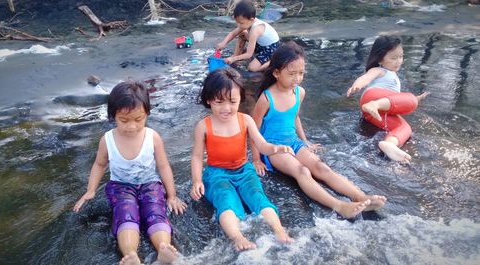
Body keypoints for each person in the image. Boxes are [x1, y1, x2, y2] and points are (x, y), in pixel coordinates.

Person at [251, 42, 387, 219]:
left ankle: (360, 196)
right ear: (276, 73)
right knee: (302, 171)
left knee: (321, 167)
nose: (297, 79)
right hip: (273, 148)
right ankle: (340, 206)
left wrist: (304, 141)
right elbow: (253, 129)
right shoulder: (266, 98)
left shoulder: (299, 93)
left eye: (301, 73)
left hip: (294, 143)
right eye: (291, 74)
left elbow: (295, 117)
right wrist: (256, 159)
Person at [73, 80, 187, 265]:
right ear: (113, 116)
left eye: (138, 119)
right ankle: (131, 255)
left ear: (147, 114)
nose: (131, 126)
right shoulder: (107, 140)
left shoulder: (152, 137)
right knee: (125, 213)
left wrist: (171, 195)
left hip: (150, 184)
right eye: (124, 120)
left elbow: (164, 166)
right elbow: (99, 164)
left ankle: (163, 248)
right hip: (121, 187)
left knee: (155, 211)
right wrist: (91, 190)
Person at [190, 68, 294, 251]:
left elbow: (262, 145)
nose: (226, 108)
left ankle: (279, 230)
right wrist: (197, 180)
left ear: (240, 99)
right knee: (225, 201)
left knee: (258, 197)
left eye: (232, 102)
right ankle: (238, 237)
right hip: (217, 174)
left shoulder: (245, 120)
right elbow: (197, 156)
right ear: (208, 100)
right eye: (219, 102)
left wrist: (275, 148)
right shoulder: (203, 126)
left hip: (244, 170)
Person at [346, 35, 429, 162]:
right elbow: (366, 78)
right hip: (372, 98)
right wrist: (356, 86)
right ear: (380, 59)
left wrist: (417, 99)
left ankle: (389, 144)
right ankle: (375, 104)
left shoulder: (393, 75)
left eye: (401, 56)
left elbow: (399, 101)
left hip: (373, 114)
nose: (399, 61)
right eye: (393, 58)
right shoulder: (379, 70)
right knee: (411, 101)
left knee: (405, 128)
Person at [215, 0, 280, 72]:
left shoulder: (256, 29)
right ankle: (235, 56)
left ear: (252, 19)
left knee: (252, 68)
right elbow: (233, 33)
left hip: (271, 49)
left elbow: (249, 54)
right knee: (242, 34)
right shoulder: (248, 22)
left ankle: (273, 62)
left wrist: (232, 59)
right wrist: (223, 43)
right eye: (237, 22)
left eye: (241, 23)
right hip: (261, 44)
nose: (239, 25)